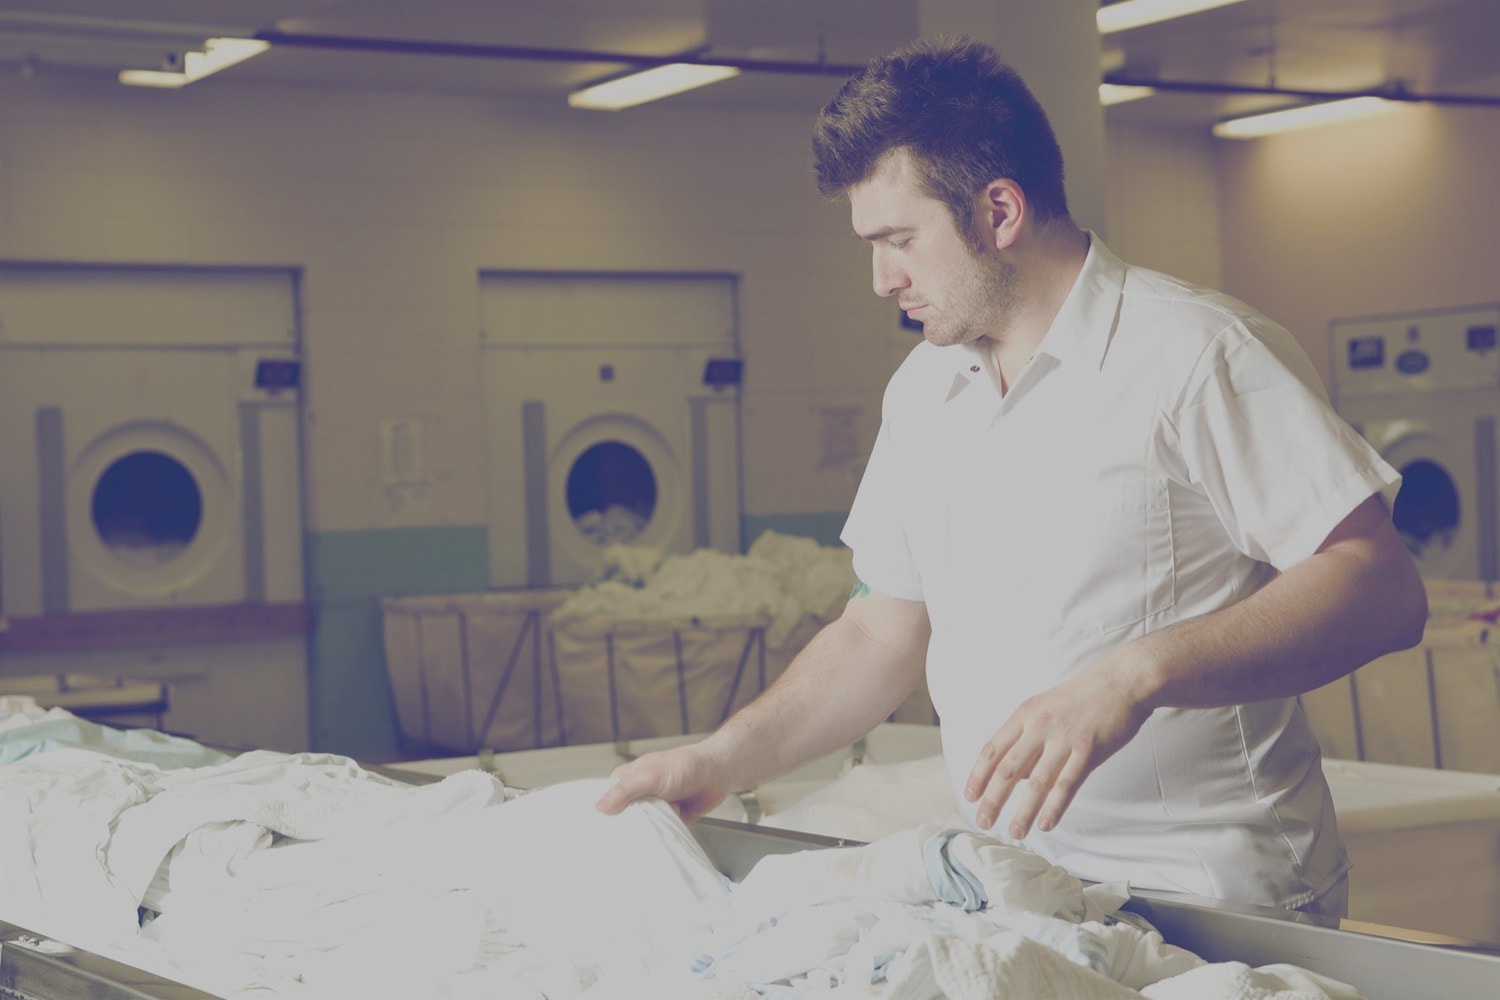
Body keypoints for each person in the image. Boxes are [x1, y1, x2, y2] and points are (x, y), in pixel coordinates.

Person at [597, 35, 1428, 917]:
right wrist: (719, 762)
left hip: (1217, 895)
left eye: (898, 240)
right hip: (1022, 888)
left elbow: (1379, 589)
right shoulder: (923, 391)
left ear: (998, 211)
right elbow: (882, 631)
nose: (881, 279)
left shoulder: (1197, 354)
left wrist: (1134, 675)